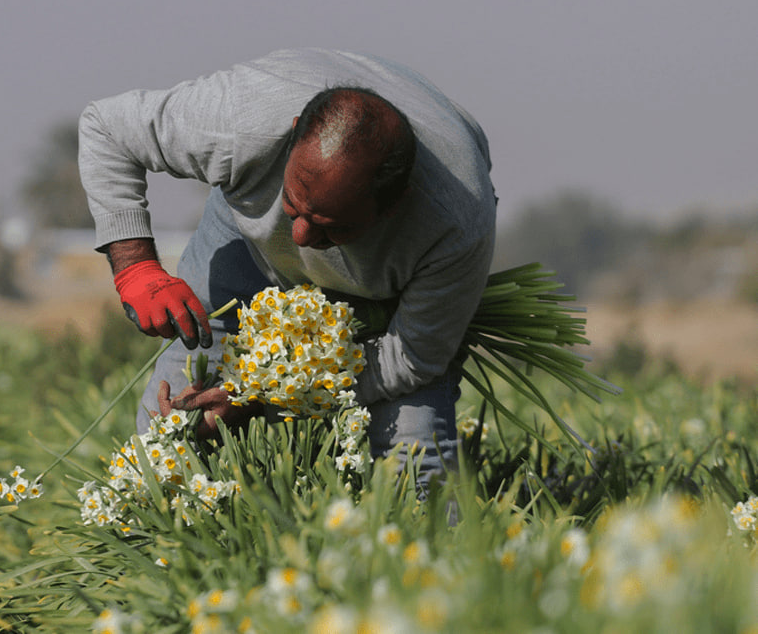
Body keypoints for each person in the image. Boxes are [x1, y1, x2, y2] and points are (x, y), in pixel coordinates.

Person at [77, 48, 496, 482]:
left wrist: (259, 397)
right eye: (294, 206)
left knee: (415, 458)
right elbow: (107, 128)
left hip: (381, 296)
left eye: (328, 228)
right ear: (293, 135)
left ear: (393, 205)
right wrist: (136, 266)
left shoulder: (455, 224)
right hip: (244, 239)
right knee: (169, 426)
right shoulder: (242, 120)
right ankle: (163, 532)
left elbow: (410, 359)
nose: (301, 239)